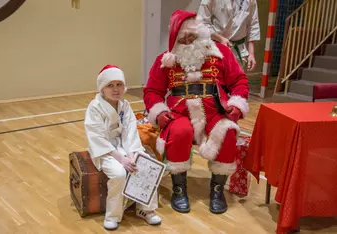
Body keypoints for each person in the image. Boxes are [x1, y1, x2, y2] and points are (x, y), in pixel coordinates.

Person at [143, 9, 249, 214]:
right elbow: (152, 91)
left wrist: (236, 105)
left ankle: (217, 189)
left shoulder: (221, 53)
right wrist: (159, 112)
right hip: (179, 112)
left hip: (216, 110)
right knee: (180, 132)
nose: (189, 41)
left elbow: (239, 81)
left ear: (201, 33)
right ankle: (178, 188)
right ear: (176, 38)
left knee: (226, 132)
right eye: (184, 38)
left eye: (193, 36)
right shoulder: (165, 61)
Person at [84, 65, 162, 230]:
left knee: (146, 165)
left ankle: (146, 210)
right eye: (110, 85)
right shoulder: (95, 107)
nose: (115, 89)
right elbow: (96, 137)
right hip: (104, 149)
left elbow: (130, 131)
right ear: (102, 88)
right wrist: (122, 159)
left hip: (125, 147)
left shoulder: (124, 105)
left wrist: (132, 154)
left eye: (119, 84)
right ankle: (113, 215)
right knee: (119, 173)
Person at [197, 0, 260, 71]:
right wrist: (220, 39)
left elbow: (252, 24)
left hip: (239, 51)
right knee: (217, 79)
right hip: (216, 48)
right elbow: (201, 24)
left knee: (237, 80)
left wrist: (251, 54)